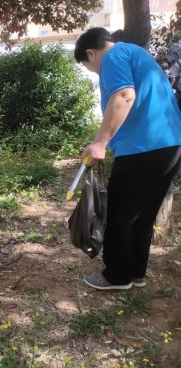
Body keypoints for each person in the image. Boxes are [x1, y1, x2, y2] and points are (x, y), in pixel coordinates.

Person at [74, 27, 181, 290]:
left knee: (120, 214)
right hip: (169, 146)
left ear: (91, 53)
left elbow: (124, 96)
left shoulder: (112, 57)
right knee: (142, 216)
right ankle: (135, 273)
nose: (99, 74)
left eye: (92, 68)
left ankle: (117, 276)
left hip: (143, 149)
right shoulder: (136, 54)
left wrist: (100, 142)